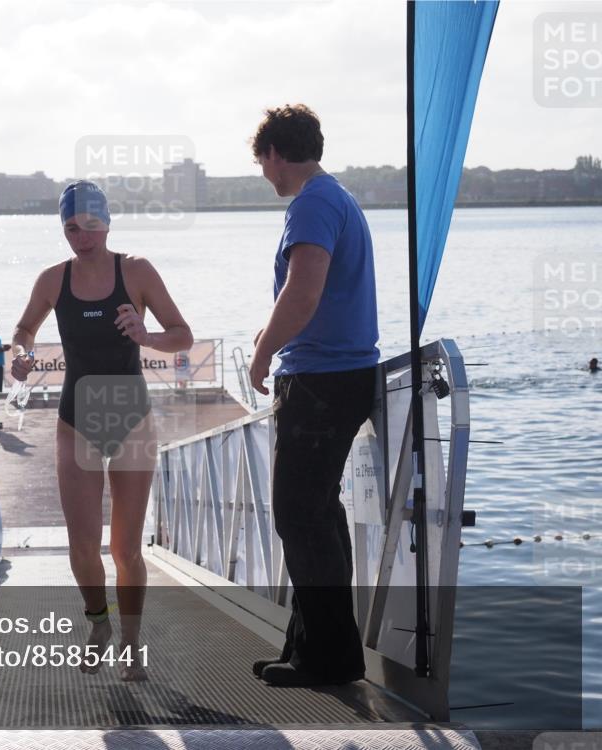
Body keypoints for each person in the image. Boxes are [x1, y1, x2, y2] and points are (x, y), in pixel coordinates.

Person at [10, 180, 193, 681]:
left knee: (126, 549)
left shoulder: (135, 270)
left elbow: (183, 335)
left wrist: (147, 335)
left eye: (90, 226)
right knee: (82, 545)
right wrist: (23, 355)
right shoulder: (53, 279)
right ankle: (99, 624)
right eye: (71, 227)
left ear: (107, 224)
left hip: (130, 415)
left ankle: (132, 642)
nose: (82, 236)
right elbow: (25, 330)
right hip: (76, 419)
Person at [247, 104, 379, 688]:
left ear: (276, 153)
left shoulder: (313, 203)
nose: (264, 175)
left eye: (262, 163)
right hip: (337, 376)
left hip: (322, 382)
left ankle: (329, 658)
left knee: (299, 515)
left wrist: (260, 353)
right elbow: (305, 300)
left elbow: (302, 295)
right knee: (318, 514)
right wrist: (268, 335)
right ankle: (310, 648)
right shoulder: (333, 198)